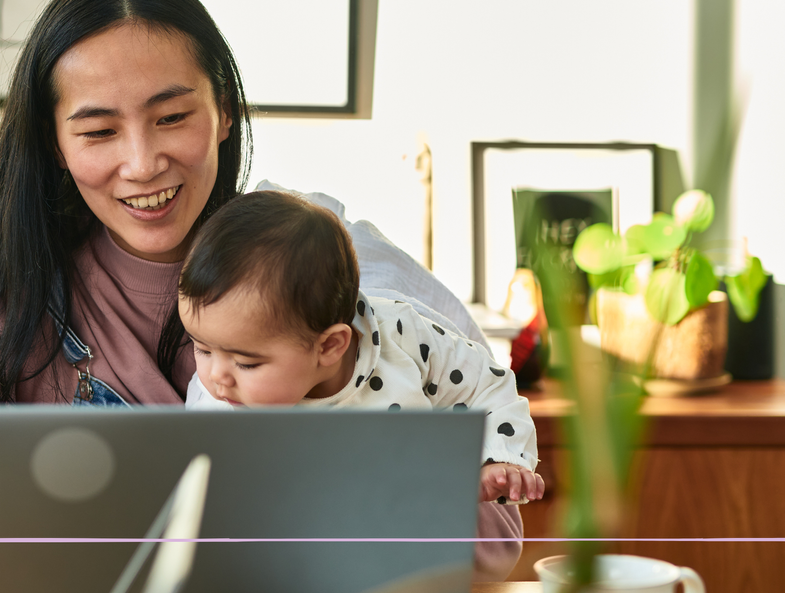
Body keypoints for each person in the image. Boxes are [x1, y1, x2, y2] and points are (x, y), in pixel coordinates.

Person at [0, 0, 524, 593]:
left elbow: (488, 513)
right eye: (98, 130)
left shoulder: (341, 262)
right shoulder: (3, 312)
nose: (143, 161)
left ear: (223, 110)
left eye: (172, 116)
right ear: (52, 142)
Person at [179, 190, 544, 505]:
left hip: (407, 537)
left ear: (329, 346)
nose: (216, 377)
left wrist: (499, 461)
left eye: (245, 364)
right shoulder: (216, 404)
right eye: (203, 350)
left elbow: (488, 385)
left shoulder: (404, 335)